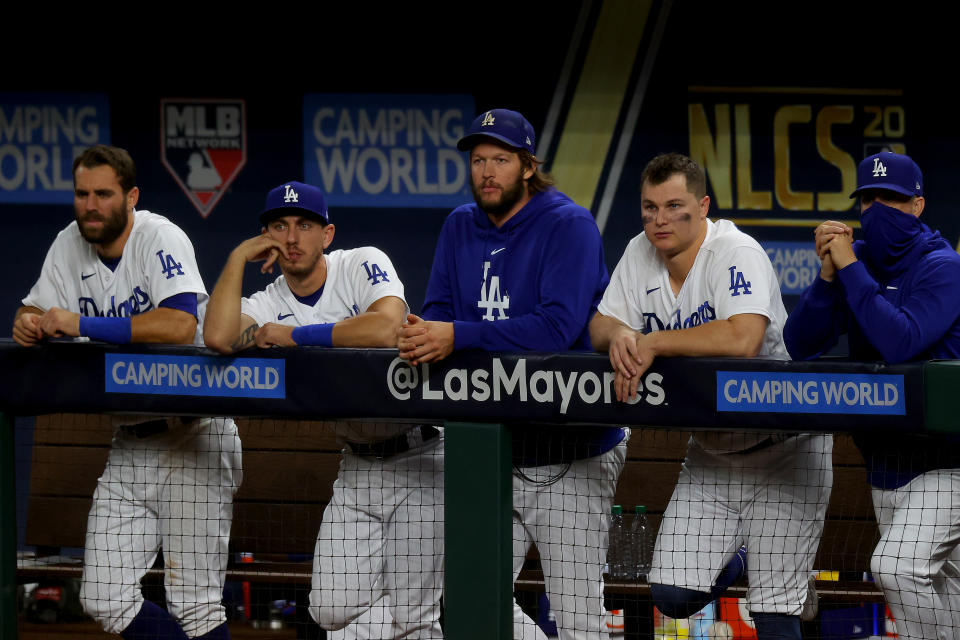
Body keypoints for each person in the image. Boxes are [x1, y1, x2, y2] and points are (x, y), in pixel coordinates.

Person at [397, 108, 625, 640]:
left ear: (527, 166)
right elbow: (437, 309)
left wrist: (458, 335)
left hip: (573, 450)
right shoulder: (459, 224)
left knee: (579, 623)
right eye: (478, 160)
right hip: (492, 453)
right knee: (470, 602)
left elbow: (557, 328)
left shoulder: (569, 224)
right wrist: (424, 333)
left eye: (500, 159)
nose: (487, 172)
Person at [589, 152, 831, 639]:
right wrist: (617, 335)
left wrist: (652, 341)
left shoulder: (735, 251)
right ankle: (744, 559)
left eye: (673, 206)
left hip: (786, 449)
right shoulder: (640, 252)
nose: (659, 219)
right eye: (649, 207)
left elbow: (742, 338)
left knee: (774, 617)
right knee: (672, 596)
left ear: (702, 206)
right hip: (712, 454)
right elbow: (599, 321)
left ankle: (779, 577)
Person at [13, 145, 240, 640]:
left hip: (192, 437)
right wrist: (29, 323)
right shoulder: (68, 243)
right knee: (103, 595)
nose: (90, 205)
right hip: (130, 442)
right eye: (81, 194)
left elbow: (180, 324)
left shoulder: (159, 236)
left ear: (130, 196)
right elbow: (30, 309)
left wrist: (81, 322)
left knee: (196, 606)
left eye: (103, 194)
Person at [202, 181, 443, 638]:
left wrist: (296, 336)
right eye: (279, 226)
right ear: (265, 237)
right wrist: (236, 258)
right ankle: (436, 594)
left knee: (414, 618)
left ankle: (432, 599)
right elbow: (217, 338)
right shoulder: (269, 301)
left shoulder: (361, 263)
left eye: (305, 225)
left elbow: (387, 326)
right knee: (330, 611)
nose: (292, 238)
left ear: (326, 234)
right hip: (356, 465)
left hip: (422, 457)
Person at [784, 151, 960, 640]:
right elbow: (800, 345)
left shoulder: (942, 266)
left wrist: (852, 269)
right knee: (947, 604)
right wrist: (826, 278)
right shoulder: (854, 263)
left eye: (893, 199)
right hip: (884, 465)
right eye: (869, 200)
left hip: (948, 465)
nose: (878, 209)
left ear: (918, 205)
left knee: (896, 567)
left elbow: (900, 341)